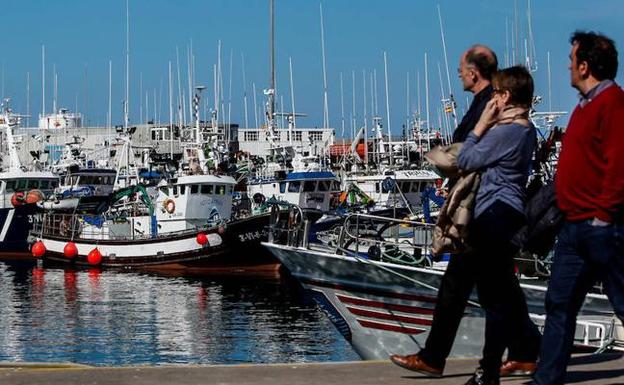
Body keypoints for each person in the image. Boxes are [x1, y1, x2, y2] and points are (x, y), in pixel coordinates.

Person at [390, 46, 540, 379]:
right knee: (495, 290)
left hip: (491, 213)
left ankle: (459, 361)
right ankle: (524, 350)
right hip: (494, 212)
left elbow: (466, 157)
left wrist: (481, 125)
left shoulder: (507, 128)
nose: (459, 73)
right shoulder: (519, 129)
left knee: (478, 290)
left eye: (462, 68)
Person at [530, 31, 624, 385]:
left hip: (602, 226)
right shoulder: (585, 106)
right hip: (574, 228)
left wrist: (603, 216)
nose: (567, 67)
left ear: (584, 66)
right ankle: (547, 379)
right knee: (559, 303)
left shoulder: (613, 103)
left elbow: (619, 165)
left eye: (571, 61)